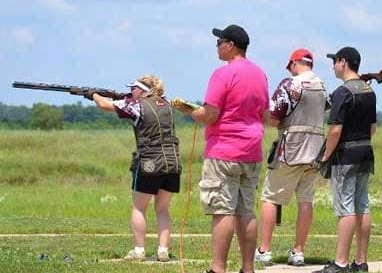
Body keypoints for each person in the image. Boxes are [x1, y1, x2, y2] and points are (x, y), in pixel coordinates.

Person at [175, 24, 269, 273]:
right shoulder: (260, 74)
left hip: (224, 150)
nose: (217, 47)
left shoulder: (222, 74)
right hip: (252, 151)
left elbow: (210, 114)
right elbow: (266, 114)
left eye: (219, 42)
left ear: (230, 46)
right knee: (246, 211)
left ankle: (218, 268)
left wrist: (188, 110)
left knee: (222, 211)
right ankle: (248, 268)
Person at [89, 75, 181, 262]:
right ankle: (163, 250)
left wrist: (94, 95)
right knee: (162, 209)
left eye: (134, 88)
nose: (132, 91)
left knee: (139, 208)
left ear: (142, 90)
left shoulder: (137, 105)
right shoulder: (167, 104)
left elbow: (104, 106)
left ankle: (139, 250)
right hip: (172, 162)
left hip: (149, 162)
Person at [255, 48, 328, 266]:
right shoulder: (322, 86)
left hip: (291, 149)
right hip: (315, 150)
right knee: (306, 200)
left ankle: (264, 250)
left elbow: (275, 119)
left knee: (270, 197)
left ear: (295, 63)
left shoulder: (290, 84)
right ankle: (298, 251)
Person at [313, 47, 376, 273]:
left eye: (335, 61)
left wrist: (325, 156)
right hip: (366, 152)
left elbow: (335, 130)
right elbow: (373, 128)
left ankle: (340, 263)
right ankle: (360, 261)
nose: (333, 66)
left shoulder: (342, 92)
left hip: (345, 156)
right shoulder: (369, 90)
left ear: (343, 62)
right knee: (362, 205)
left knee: (345, 208)